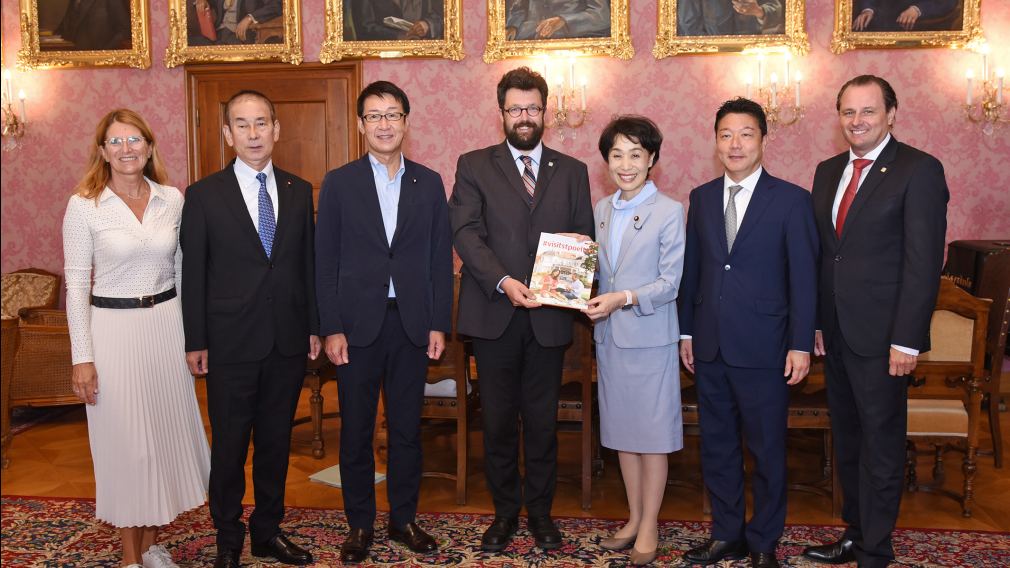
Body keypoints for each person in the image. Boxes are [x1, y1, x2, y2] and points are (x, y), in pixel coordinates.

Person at [802, 75, 948, 568]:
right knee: (848, 440)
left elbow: (922, 262)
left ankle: (875, 550)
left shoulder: (918, 170)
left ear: (891, 113)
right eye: (847, 112)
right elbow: (827, 256)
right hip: (838, 334)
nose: (856, 121)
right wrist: (819, 323)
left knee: (881, 446)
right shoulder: (826, 172)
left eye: (867, 111)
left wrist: (907, 339)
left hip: (886, 338)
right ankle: (855, 532)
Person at [449, 66, 594, 552]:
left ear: (545, 111)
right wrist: (506, 281)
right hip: (494, 316)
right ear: (501, 113)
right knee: (496, 423)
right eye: (515, 109)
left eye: (532, 108)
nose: (524, 116)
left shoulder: (572, 171)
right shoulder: (473, 165)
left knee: (542, 423)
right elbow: (465, 234)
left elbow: (584, 236)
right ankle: (505, 514)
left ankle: (542, 515)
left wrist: (576, 254)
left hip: (550, 319)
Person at [63, 109, 210, 568]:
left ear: (149, 147)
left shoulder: (173, 199)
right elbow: (75, 286)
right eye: (115, 142)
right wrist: (82, 358)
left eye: (134, 141)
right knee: (128, 446)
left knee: (163, 440)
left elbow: (184, 273)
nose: (126, 150)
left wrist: (193, 339)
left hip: (166, 327)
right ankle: (130, 558)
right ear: (102, 151)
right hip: (113, 333)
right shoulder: (84, 205)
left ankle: (149, 544)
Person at [315, 80, 453, 564]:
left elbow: (439, 258)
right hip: (356, 329)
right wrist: (331, 326)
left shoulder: (429, 182)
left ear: (406, 122)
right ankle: (359, 524)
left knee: (407, 431)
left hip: (412, 326)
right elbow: (324, 259)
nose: (384, 124)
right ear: (360, 126)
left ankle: (403, 519)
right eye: (374, 116)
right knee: (355, 430)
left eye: (392, 114)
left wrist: (439, 323)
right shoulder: (339, 182)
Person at [180, 90, 319, 568]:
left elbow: (307, 266)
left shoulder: (300, 190)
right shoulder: (202, 195)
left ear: (276, 129)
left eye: (262, 123)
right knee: (231, 445)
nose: (253, 133)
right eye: (242, 124)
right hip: (229, 343)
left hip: (285, 339)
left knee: (276, 443)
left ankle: (268, 531)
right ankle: (227, 535)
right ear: (227, 134)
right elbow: (193, 273)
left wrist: (315, 327)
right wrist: (195, 339)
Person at [678, 98, 818, 568]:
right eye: (726, 135)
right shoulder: (699, 198)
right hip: (711, 345)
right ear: (715, 141)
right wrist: (686, 333)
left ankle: (763, 541)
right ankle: (727, 534)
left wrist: (801, 342)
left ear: (763, 139)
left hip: (767, 348)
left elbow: (804, 277)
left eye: (746, 134)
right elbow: (692, 273)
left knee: (767, 451)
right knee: (716, 447)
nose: (735, 144)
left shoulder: (793, 199)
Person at [584, 116, 685, 566]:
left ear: (652, 160)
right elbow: (599, 272)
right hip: (608, 339)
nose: (626, 165)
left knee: (653, 437)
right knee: (623, 436)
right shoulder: (602, 210)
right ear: (606, 161)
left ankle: (649, 525)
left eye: (636, 155)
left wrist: (622, 298)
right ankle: (633, 516)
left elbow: (670, 283)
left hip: (649, 339)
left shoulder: (670, 211)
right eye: (617, 155)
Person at [187, 0, 283, 45]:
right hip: (217, 34)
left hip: (238, 36)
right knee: (191, 43)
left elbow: (277, 5)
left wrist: (250, 18)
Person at [506, 0, 611, 40]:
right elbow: (519, 8)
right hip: (529, 44)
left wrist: (564, 20)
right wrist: (512, 26)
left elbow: (602, 16)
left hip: (571, 47)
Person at [345, 0, 444, 40]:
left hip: (424, 56)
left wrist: (427, 24)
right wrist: (397, 37)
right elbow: (364, 28)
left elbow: (443, 17)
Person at [852, 0, 958, 31]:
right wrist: (867, 10)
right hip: (882, 20)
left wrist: (917, 9)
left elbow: (948, 2)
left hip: (922, 25)